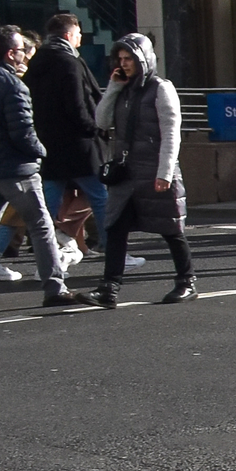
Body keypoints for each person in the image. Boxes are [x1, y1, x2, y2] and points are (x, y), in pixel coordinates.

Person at [0, 26, 95, 309]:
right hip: (15, 171)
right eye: (20, 52)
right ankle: (55, 287)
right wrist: (41, 152)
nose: (24, 57)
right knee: (41, 226)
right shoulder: (13, 85)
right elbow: (22, 133)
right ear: (9, 53)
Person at [89, 34, 195, 306]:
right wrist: (112, 88)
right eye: (120, 59)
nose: (124, 64)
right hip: (126, 173)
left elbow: (171, 133)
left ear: (143, 59)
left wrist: (165, 173)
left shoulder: (161, 88)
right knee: (115, 228)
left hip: (154, 169)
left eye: (129, 59)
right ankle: (109, 288)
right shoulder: (122, 88)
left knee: (170, 227)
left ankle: (186, 281)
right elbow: (101, 120)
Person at [24, 13, 105, 279]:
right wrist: (93, 128)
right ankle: (113, 247)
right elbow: (77, 103)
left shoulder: (38, 60)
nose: (81, 37)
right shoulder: (69, 61)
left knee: (47, 200)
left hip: (47, 140)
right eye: (78, 32)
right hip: (77, 142)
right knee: (100, 194)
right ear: (69, 34)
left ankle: (45, 258)